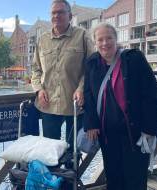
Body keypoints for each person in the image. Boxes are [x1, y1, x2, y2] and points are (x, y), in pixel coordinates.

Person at [83, 22, 157, 190]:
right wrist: (91, 123)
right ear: (95, 43)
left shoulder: (133, 58)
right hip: (108, 135)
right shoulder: (92, 63)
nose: (105, 43)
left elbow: (151, 95)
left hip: (135, 132)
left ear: (116, 39)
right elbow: (88, 94)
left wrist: (149, 128)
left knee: (135, 179)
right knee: (113, 177)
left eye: (109, 38)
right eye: (100, 39)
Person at [31, 0, 94, 153]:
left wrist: (81, 88)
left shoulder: (82, 35)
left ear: (70, 16)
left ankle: (73, 177)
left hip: (75, 105)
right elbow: (35, 70)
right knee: (50, 151)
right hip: (49, 105)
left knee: (74, 150)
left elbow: (91, 68)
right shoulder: (42, 40)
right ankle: (54, 177)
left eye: (60, 12)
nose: (56, 15)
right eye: (53, 13)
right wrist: (39, 90)